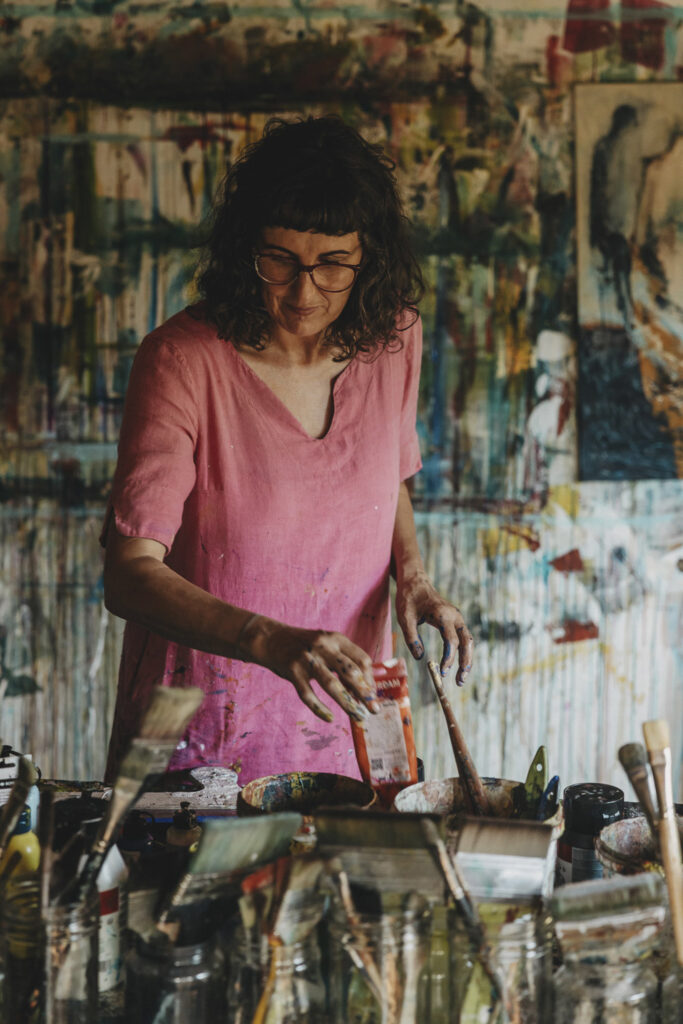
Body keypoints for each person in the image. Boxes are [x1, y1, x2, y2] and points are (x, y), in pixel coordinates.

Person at [102, 115, 474, 784]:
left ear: (368, 257)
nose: (304, 293)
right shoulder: (181, 362)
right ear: (245, 248)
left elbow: (385, 475)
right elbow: (129, 574)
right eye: (278, 259)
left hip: (350, 724)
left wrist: (413, 576)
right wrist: (266, 639)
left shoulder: (393, 339)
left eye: (332, 263)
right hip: (202, 740)